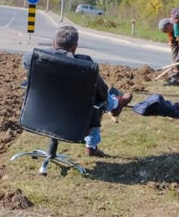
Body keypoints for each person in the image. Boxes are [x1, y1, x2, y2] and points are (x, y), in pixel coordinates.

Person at [23, 26, 132, 157]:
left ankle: (115, 104)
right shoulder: (84, 64)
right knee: (98, 101)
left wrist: (53, 52)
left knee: (95, 100)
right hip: (72, 119)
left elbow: (28, 61)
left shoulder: (34, 58)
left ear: (53, 43)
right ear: (75, 46)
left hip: (38, 115)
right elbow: (101, 94)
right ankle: (115, 105)